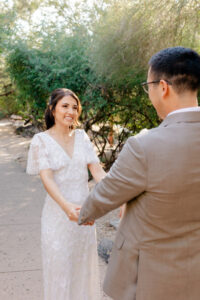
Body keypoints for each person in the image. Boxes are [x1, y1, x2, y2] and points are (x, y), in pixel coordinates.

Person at [78, 47, 200, 300]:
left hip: (153, 279)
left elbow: (105, 196)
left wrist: (85, 213)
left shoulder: (145, 145)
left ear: (162, 87)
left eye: (148, 86)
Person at [26, 88, 106, 300]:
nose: (70, 111)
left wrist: (120, 195)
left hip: (85, 216)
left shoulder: (82, 137)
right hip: (58, 218)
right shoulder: (41, 140)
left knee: (83, 270)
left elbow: (97, 171)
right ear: (52, 109)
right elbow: (47, 178)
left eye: (74, 107)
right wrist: (66, 207)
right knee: (60, 272)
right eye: (65, 106)